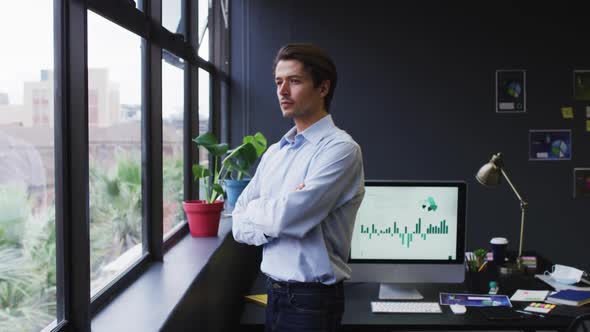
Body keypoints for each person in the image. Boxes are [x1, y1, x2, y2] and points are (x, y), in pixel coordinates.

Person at [232, 43, 365, 332]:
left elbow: (288, 217)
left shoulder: (340, 150)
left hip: (312, 302)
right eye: (279, 82)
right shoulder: (275, 153)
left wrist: (267, 210)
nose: (282, 91)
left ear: (323, 88)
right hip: (275, 295)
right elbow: (238, 223)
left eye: (294, 81)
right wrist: (277, 210)